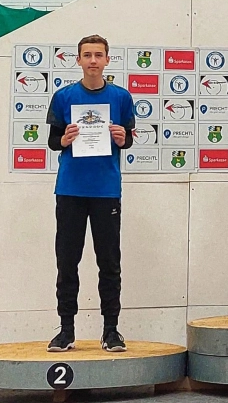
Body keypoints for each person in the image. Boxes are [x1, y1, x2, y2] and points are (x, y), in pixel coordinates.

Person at [45, 34, 135, 352]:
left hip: (106, 191)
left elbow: (128, 139)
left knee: (109, 262)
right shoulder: (63, 97)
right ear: (78, 60)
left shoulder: (121, 98)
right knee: (67, 261)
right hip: (70, 190)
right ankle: (66, 330)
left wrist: (123, 138)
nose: (93, 60)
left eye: (98, 55)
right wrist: (65, 140)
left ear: (107, 59)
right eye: (87, 55)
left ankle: (111, 331)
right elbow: (53, 141)